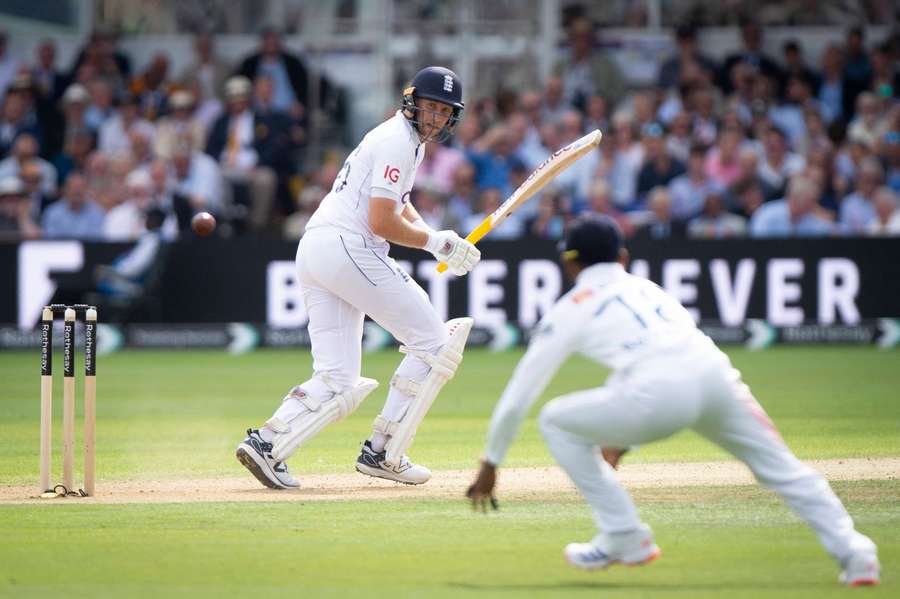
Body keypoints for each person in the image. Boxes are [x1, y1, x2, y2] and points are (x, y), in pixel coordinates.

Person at [466, 214, 880, 587]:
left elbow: (520, 395)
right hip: (718, 378)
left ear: (569, 263)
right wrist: (621, 435)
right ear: (623, 256)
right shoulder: (649, 288)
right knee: (784, 470)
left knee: (555, 420)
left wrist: (491, 463)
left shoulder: (569, 308)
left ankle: (625, 534)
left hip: (656, 394)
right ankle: (857, 554)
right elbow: (663, 359)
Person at [236, 66, 481, 489]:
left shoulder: (403, 141)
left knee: (337, 376)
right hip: (349, 247)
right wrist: (435, 244)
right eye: (431, 107)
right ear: (412, 102)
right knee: (433, 341)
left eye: (445, 111)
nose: (437, 118)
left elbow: (399, 205)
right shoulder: (398, 142)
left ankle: (267, 441)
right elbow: (382, 221)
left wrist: (440, 237)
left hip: (318, 248)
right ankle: (385, 450)